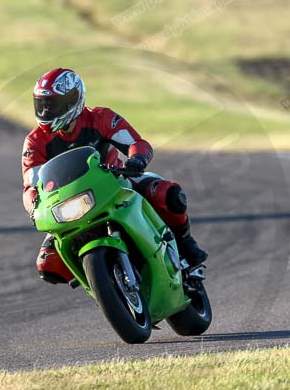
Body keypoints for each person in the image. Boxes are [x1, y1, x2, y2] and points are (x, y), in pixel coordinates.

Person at [22, 68, 208, 284]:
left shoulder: (100, 117)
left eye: (52, 104)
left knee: (170, 195)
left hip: (114, 181)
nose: (46, 111)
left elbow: (137, 143)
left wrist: (136, 160)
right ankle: (100, 280)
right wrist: (34, 206)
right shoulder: (35, 141)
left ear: (73, 100)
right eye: (42, 104)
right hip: (68, 203)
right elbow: (31, 183)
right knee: (48, 265)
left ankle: (186, 246)